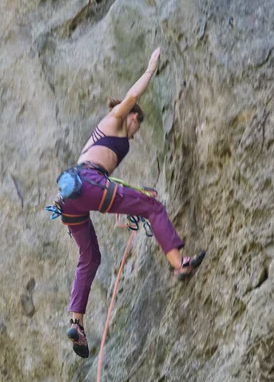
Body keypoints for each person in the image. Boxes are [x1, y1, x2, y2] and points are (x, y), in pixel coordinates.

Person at [55, 48, 204, 359]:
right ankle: (179, 264)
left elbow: (103, 178)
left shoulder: (104, 139)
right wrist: (150, 68)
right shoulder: (117, 117)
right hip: (89, 183)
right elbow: (134, 93)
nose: (134, 135)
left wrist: (135, 193)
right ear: (133, 116)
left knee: (90, 257)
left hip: (70, 194)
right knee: (154, 208)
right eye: (137, 127)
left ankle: (76, 323)